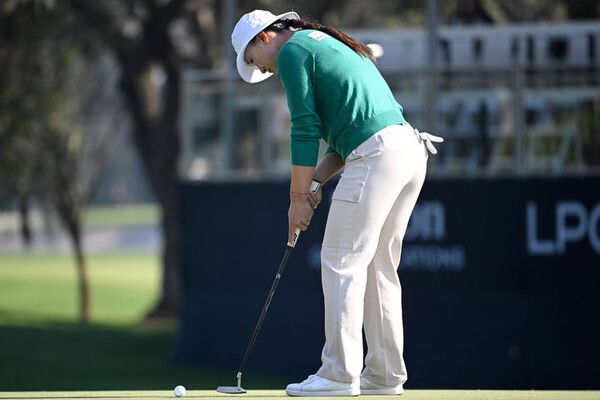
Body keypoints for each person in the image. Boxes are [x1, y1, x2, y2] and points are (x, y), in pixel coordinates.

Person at [231, 9, 442, 397]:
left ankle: (339, 374)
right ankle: (384, 376)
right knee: (377, 267)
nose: (260, 70)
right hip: (407, 151)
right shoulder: (324, 43)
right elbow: (345, 141)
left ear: (264, 37)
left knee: (340, 259)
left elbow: (304, 127)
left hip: (378, 155)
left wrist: (297, 199)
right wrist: (313, 183)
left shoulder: (292, 51)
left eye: (252, 60)